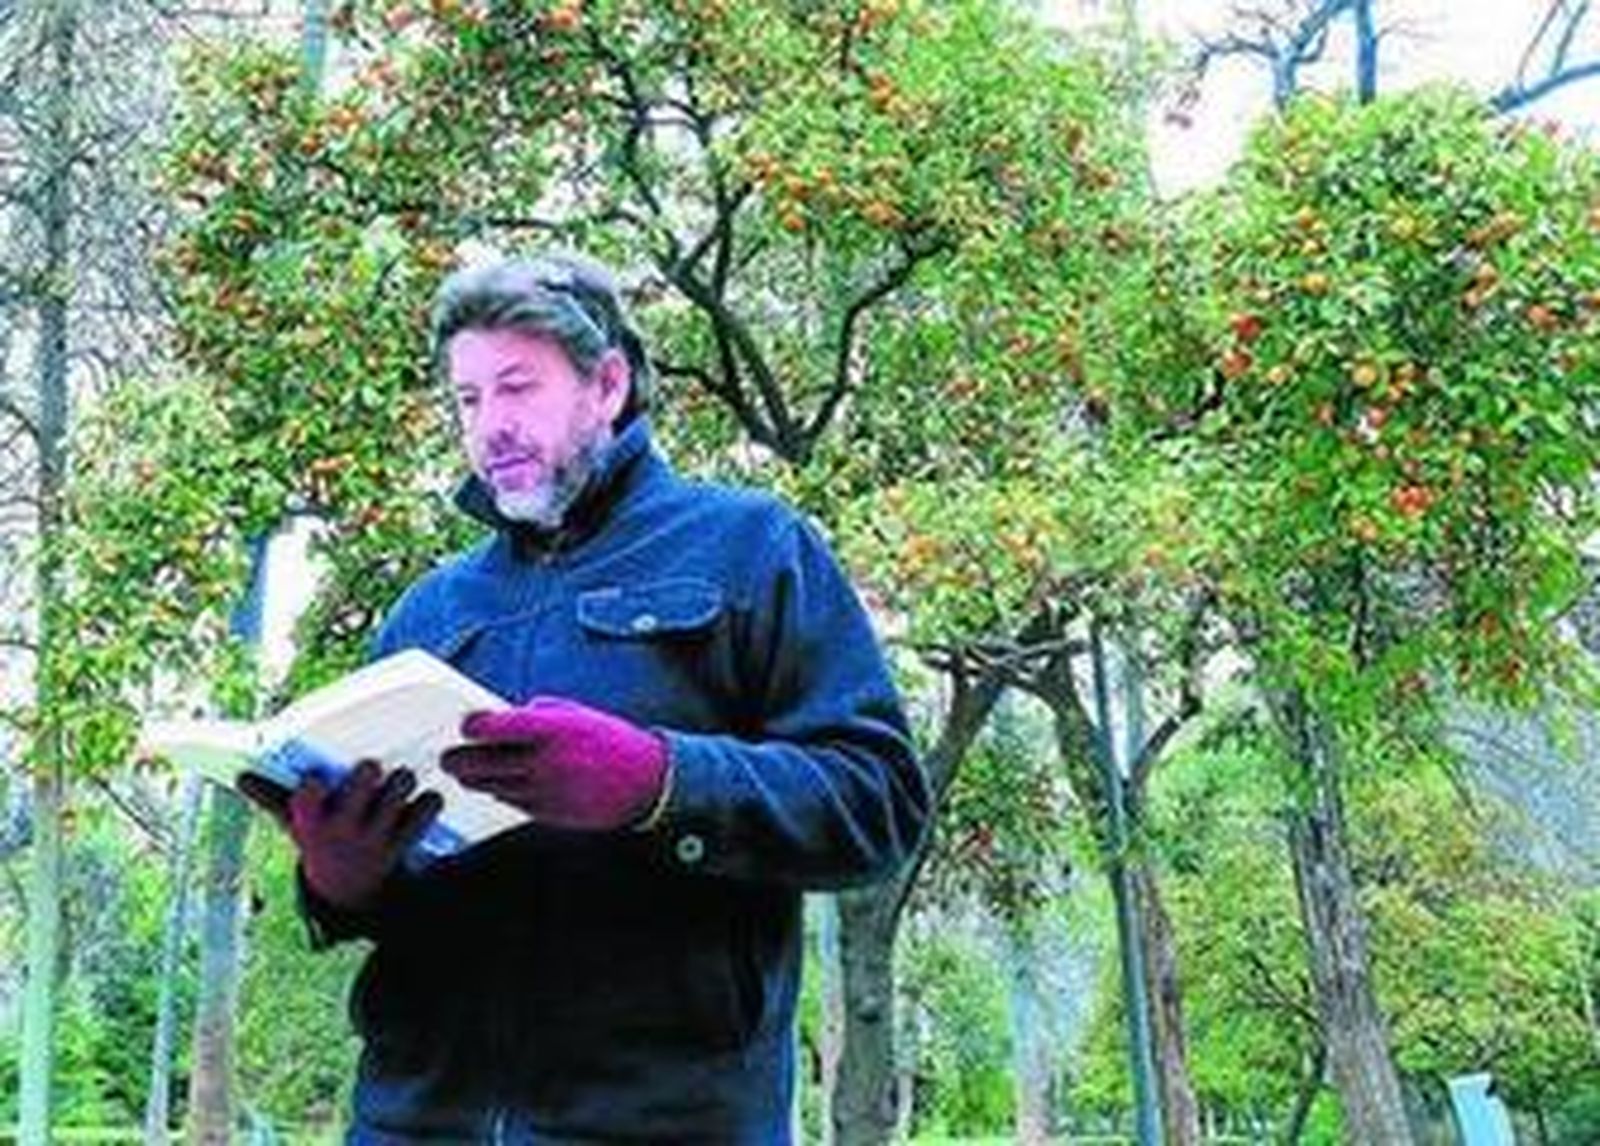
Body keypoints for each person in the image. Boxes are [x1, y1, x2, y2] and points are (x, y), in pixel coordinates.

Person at [239, 251, 930, 1143]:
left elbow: (880, 802)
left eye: (518, 388)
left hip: (667, 1123)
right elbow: (393, 897)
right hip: (415, 1120)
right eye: (468, 399)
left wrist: (660, 784)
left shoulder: (754, 551)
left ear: (607, 386)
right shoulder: (430, 613)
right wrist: (339, 878)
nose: (490, 427)